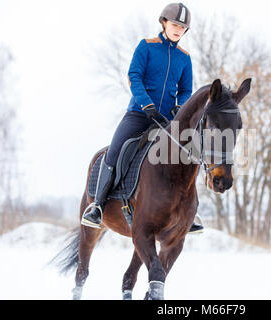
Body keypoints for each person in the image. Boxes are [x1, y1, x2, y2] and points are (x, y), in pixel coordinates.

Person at [81, 3, 204, 233]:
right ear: (164, 22)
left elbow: (186, 89)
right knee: (116, 150)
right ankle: (97, 206)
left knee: (190, 154)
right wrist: (146, 103)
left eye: (183, 27)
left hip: (168, 120)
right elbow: (134, 76)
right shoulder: (146, 47)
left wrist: (179, 107)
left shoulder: (184, 58)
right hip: (139, 114)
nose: (179, 30)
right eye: (175, 24)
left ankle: (190, 212)